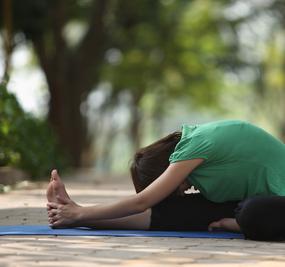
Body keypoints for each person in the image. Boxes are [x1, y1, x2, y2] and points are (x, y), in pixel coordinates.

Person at [47, 120, 285, 241]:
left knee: (251, 212)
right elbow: (154, 210)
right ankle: (67, 217)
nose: (181, 192)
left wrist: (81, 213)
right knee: (177, 212)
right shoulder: (195, 149)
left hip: (274, 204)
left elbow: (142, 202)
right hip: (264, 200)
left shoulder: (193, 146)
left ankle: (241, 222)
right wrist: (74, 215)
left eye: (173, 190)